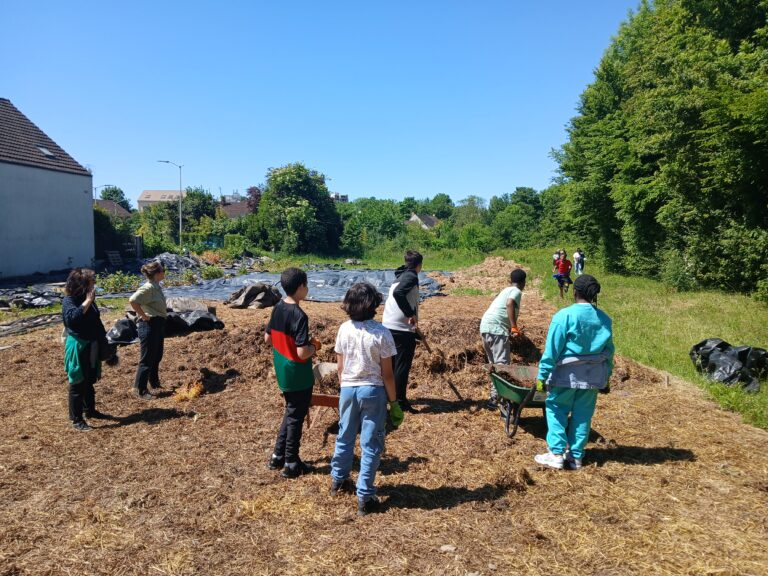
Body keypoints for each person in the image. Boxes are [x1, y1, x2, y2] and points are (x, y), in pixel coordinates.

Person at [330, 282, 403, 516]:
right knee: (371, 443)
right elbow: (388, 374)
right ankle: (365, 496)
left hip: (348, 389)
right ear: (373, 305)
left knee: (345, 435)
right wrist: (394, 402)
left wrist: (345, 388)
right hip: (373, 391)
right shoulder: (382, 332)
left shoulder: (344, 329)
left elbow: (340, 368)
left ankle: (338, 480)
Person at [534, 274, 614, 470]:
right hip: (592, 377)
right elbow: (609, 352)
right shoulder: (604, 319)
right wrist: (606, 377)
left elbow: (552, 351)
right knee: (583, 415)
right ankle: (576, 457)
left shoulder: (564, 316)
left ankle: (556, 454)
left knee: (556, 409)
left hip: (565, 376)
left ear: (575, 292)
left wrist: (541, 377)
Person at [265, 267, 320, 479]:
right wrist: (315, 346)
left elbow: (268, 339)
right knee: (296, 418)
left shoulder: (277, 307)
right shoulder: (299, 315)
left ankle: (277, 456)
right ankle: (291, 462)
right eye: (306, 285)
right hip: (298, 374)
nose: (307, 288)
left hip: (282, 369)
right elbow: (302, 352)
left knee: (290, 412)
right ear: (300, 287)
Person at [62, 268, 111, 431]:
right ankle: (76, 419)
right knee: (78, 382)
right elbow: (72, 319)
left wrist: (105, 341)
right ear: (82, 285)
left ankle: (90, 410)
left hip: (92, 344)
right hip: (78, 344)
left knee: (89, 379)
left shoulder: (89, 299)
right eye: (91, 282)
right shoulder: (69, 300)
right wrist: (88, 301)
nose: (94, 285)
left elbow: (96, 322)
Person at [382, 250, 423, 413]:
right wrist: (410, 314)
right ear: (419, 265)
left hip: (389, 326)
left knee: (391, 365)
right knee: (401, 366)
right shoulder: (411, 276)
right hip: (401, 328)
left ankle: (389, 397)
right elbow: (399, 294)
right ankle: (399, 401)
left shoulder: (400, 276)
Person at [480, 268, 527, 406]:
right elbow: (509, 303)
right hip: (496, 329)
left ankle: (494, 397)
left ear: (509, 280)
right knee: (502, 366)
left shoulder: (505, 290)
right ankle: (499, 399)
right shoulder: (516, 291)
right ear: (523, 282)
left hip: (485, 327)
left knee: (493, 365)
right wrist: (514, 327)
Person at [130, 261, 168, 400]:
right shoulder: (148, 288)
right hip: (149, 325)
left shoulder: (156, 286)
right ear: (157, 273)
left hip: (158, 324)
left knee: (156, 356)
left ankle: (154, 383)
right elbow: (133, 300)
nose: (164, 272)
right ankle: (140, 390)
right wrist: (143, 315)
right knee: (147, 359)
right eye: (163, 270)